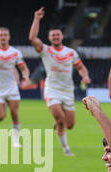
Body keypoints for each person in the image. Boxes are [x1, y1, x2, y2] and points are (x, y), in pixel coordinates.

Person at [29, 7, 91, 156]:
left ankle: (58, 124)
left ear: (62, 36)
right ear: (49, 38)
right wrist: (37, 18)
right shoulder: (45, 50)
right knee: (61, 118)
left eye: (58, 34)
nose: (55, 37)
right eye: (53, 35)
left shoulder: (71, 52)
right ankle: (66, 149)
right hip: (52, 90)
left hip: (67, 91)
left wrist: (85, 76)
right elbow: (32, 38)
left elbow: (81, 67)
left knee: (69, 125)